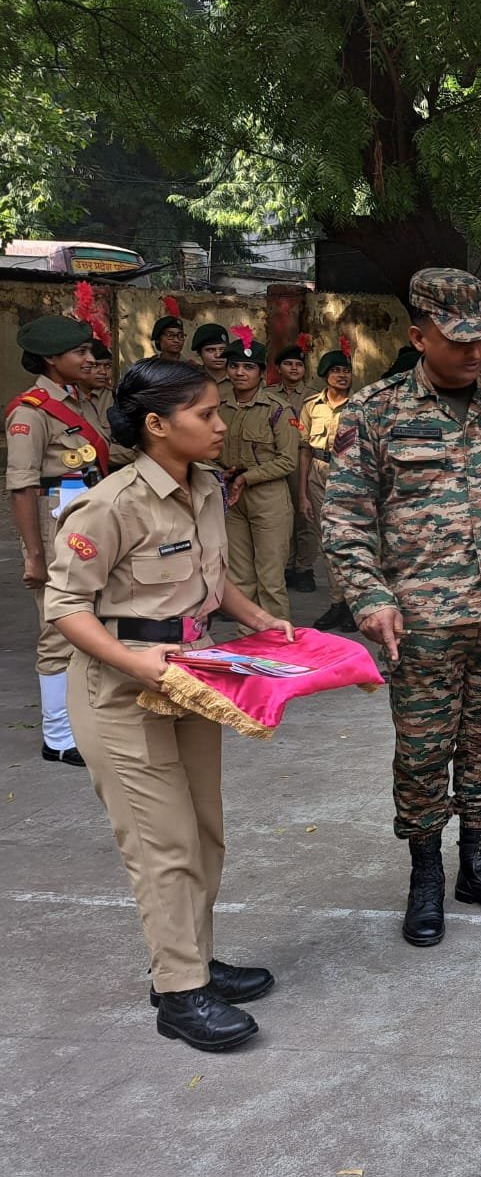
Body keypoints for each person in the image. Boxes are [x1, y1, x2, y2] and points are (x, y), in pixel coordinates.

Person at [44, 357, 293, 1052]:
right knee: (164, 844)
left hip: (191, 678)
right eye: (206, 414)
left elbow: (211, 579)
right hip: (121, 691)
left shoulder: (205, 486)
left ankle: (193, 960)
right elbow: (65, 606)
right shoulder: (110, 505)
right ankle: (179, 994)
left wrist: (258, 618)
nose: (220, 425)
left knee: (205, 833)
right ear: (157, 424)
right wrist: (134, 664)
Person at [322, 268, 481, 947]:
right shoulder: (374, 412)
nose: (476, 352)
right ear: (419, 335)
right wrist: (370, 596)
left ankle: (476, 866)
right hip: (421, 620)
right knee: (424, 751)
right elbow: (345, 518)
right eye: (459, 341)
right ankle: (425, 874)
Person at [7, 315, 123, 765]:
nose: (90, 359)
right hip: (56, 530)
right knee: (58, 631)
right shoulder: (31, 412)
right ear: (52, 359)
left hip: (91, 525)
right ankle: (58, 737)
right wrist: (34, 555)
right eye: (80, 352)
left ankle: (85, 723)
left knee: (94, 625)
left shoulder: (82, 401)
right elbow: (22, 488)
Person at [217, 329, 298, 623]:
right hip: (232, 500)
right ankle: (247, 642)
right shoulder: (218, 407)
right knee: (239, 579)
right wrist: (219, 471)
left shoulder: (277, 410)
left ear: (262, 373)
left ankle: (276, 643)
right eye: (234, 366)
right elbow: (207, 450)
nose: (240, 372)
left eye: (248, 367)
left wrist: (246, 478)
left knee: (270, 580)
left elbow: (288, 460)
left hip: (268, 499)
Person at [299, 342, 358, 631]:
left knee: (351, 540)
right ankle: (338, 604)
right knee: (327, 543)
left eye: (346, 370)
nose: (342, 375)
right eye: (335, 370)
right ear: (325, 375)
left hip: (350, 475)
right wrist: (302, 494)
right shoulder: (311, 406)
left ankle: (354, 605)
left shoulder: (360, 404)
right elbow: (304, 450)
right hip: (318, 473)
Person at [275, 335, 319, 595]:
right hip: (277, 462)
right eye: (288, 364)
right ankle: (287, 566)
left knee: (306, 517)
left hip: (304, 463)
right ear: (279, 368)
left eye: (298, 364)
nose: (294, 368)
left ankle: (304, 568)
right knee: (283, 517)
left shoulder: (314, 397)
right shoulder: (268, 394)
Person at [190, 323, 229, 387]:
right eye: (211, 350)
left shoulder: (239, 378)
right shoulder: (190, 380)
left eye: (223, 350)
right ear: (199, 353)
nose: (218, 355)